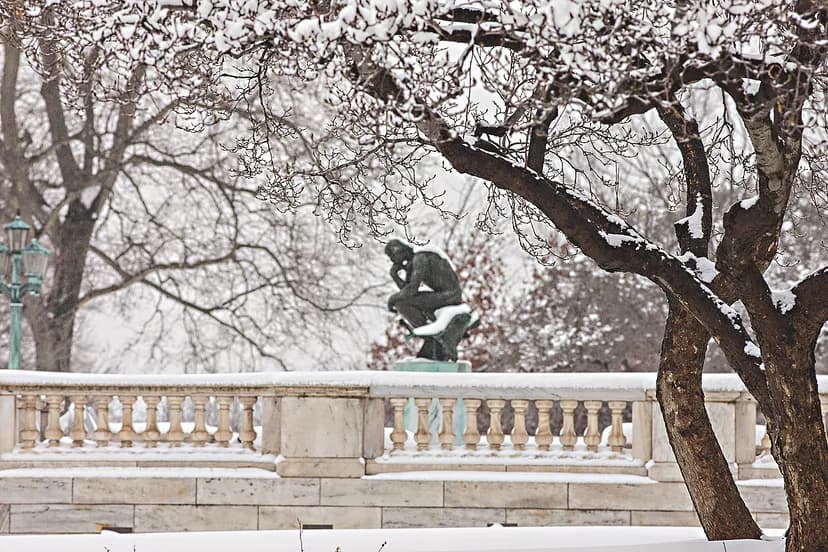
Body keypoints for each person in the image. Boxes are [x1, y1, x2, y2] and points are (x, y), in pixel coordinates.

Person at [385, 239, 471, 360]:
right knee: (402, 303)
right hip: (442, 294)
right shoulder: (413, 262)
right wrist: (395, 276)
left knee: (400, 303)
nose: (392, 260)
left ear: (398, 251)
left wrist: (392, 299)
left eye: (391, 256)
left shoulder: (420, 258)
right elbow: (407, 291)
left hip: (450, 295)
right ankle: (429, 335)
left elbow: (411, 290)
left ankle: (430, 335)